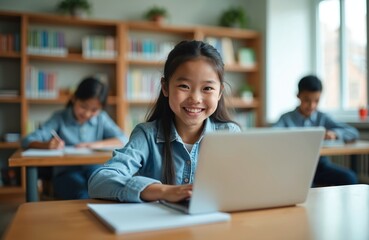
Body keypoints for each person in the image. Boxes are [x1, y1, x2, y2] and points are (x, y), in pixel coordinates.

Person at [88, 40, 241, 203]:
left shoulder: (229, 134)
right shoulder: (147, 135)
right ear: (165, 87)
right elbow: (100, 180)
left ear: (219, 93)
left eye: (207, 88)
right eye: (184, 86)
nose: (195, 98)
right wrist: (163, 191)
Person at [21, 77, 128, 199]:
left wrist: (94, 144)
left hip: (95, 169)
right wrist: (47, 145)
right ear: (74, 98)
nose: (87, 114)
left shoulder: (101, 118)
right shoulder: (59, 117)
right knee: (82, 195)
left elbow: (123, 139)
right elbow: (27, 140)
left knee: (108, 190)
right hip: (66, 172)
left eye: (94, 110)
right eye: (83, 106)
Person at [273, 75, 359, 186]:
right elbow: (273, 136)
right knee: (305, 186)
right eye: (307, 100)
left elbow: (352, 132)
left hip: (321, 166)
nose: (312, 105)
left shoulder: (323, 117)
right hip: (294, 167)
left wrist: (335, 134)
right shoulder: (286, 118)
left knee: (349, 178)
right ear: (298, 95)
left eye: (316, 101)